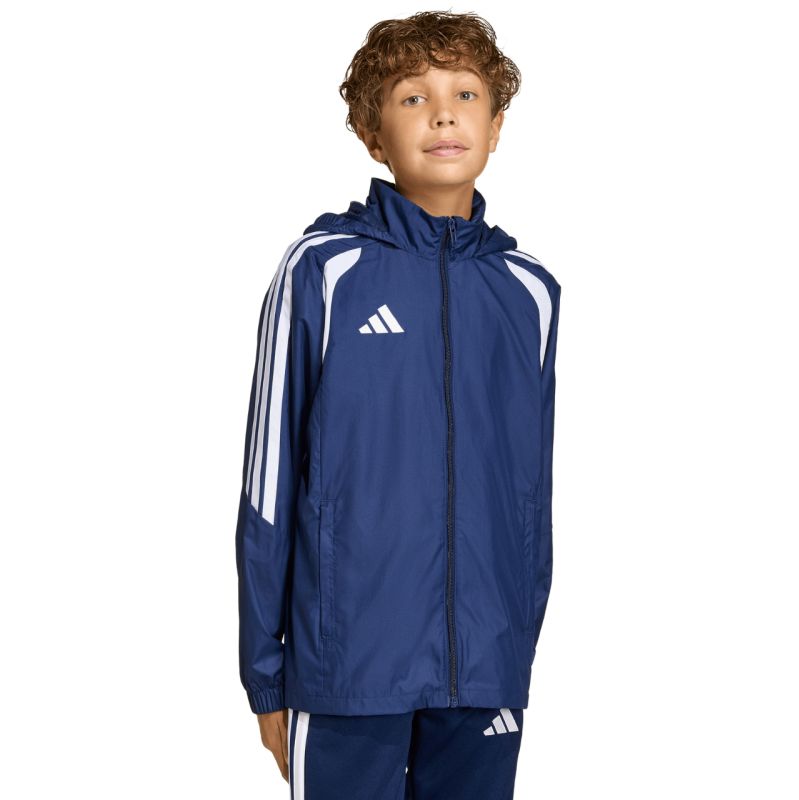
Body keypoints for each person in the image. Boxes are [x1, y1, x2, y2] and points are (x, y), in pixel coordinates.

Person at [234, 10, 562, 798]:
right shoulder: (323, 271)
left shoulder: (530, 292)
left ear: (496, 125)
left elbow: (532, 492)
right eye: (413, 98)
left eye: (466, 94)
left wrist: (515, 648)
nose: (444, 114)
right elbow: (269, 480)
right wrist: (266, 670)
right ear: (371, 133)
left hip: (486, 665)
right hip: (347, 667)